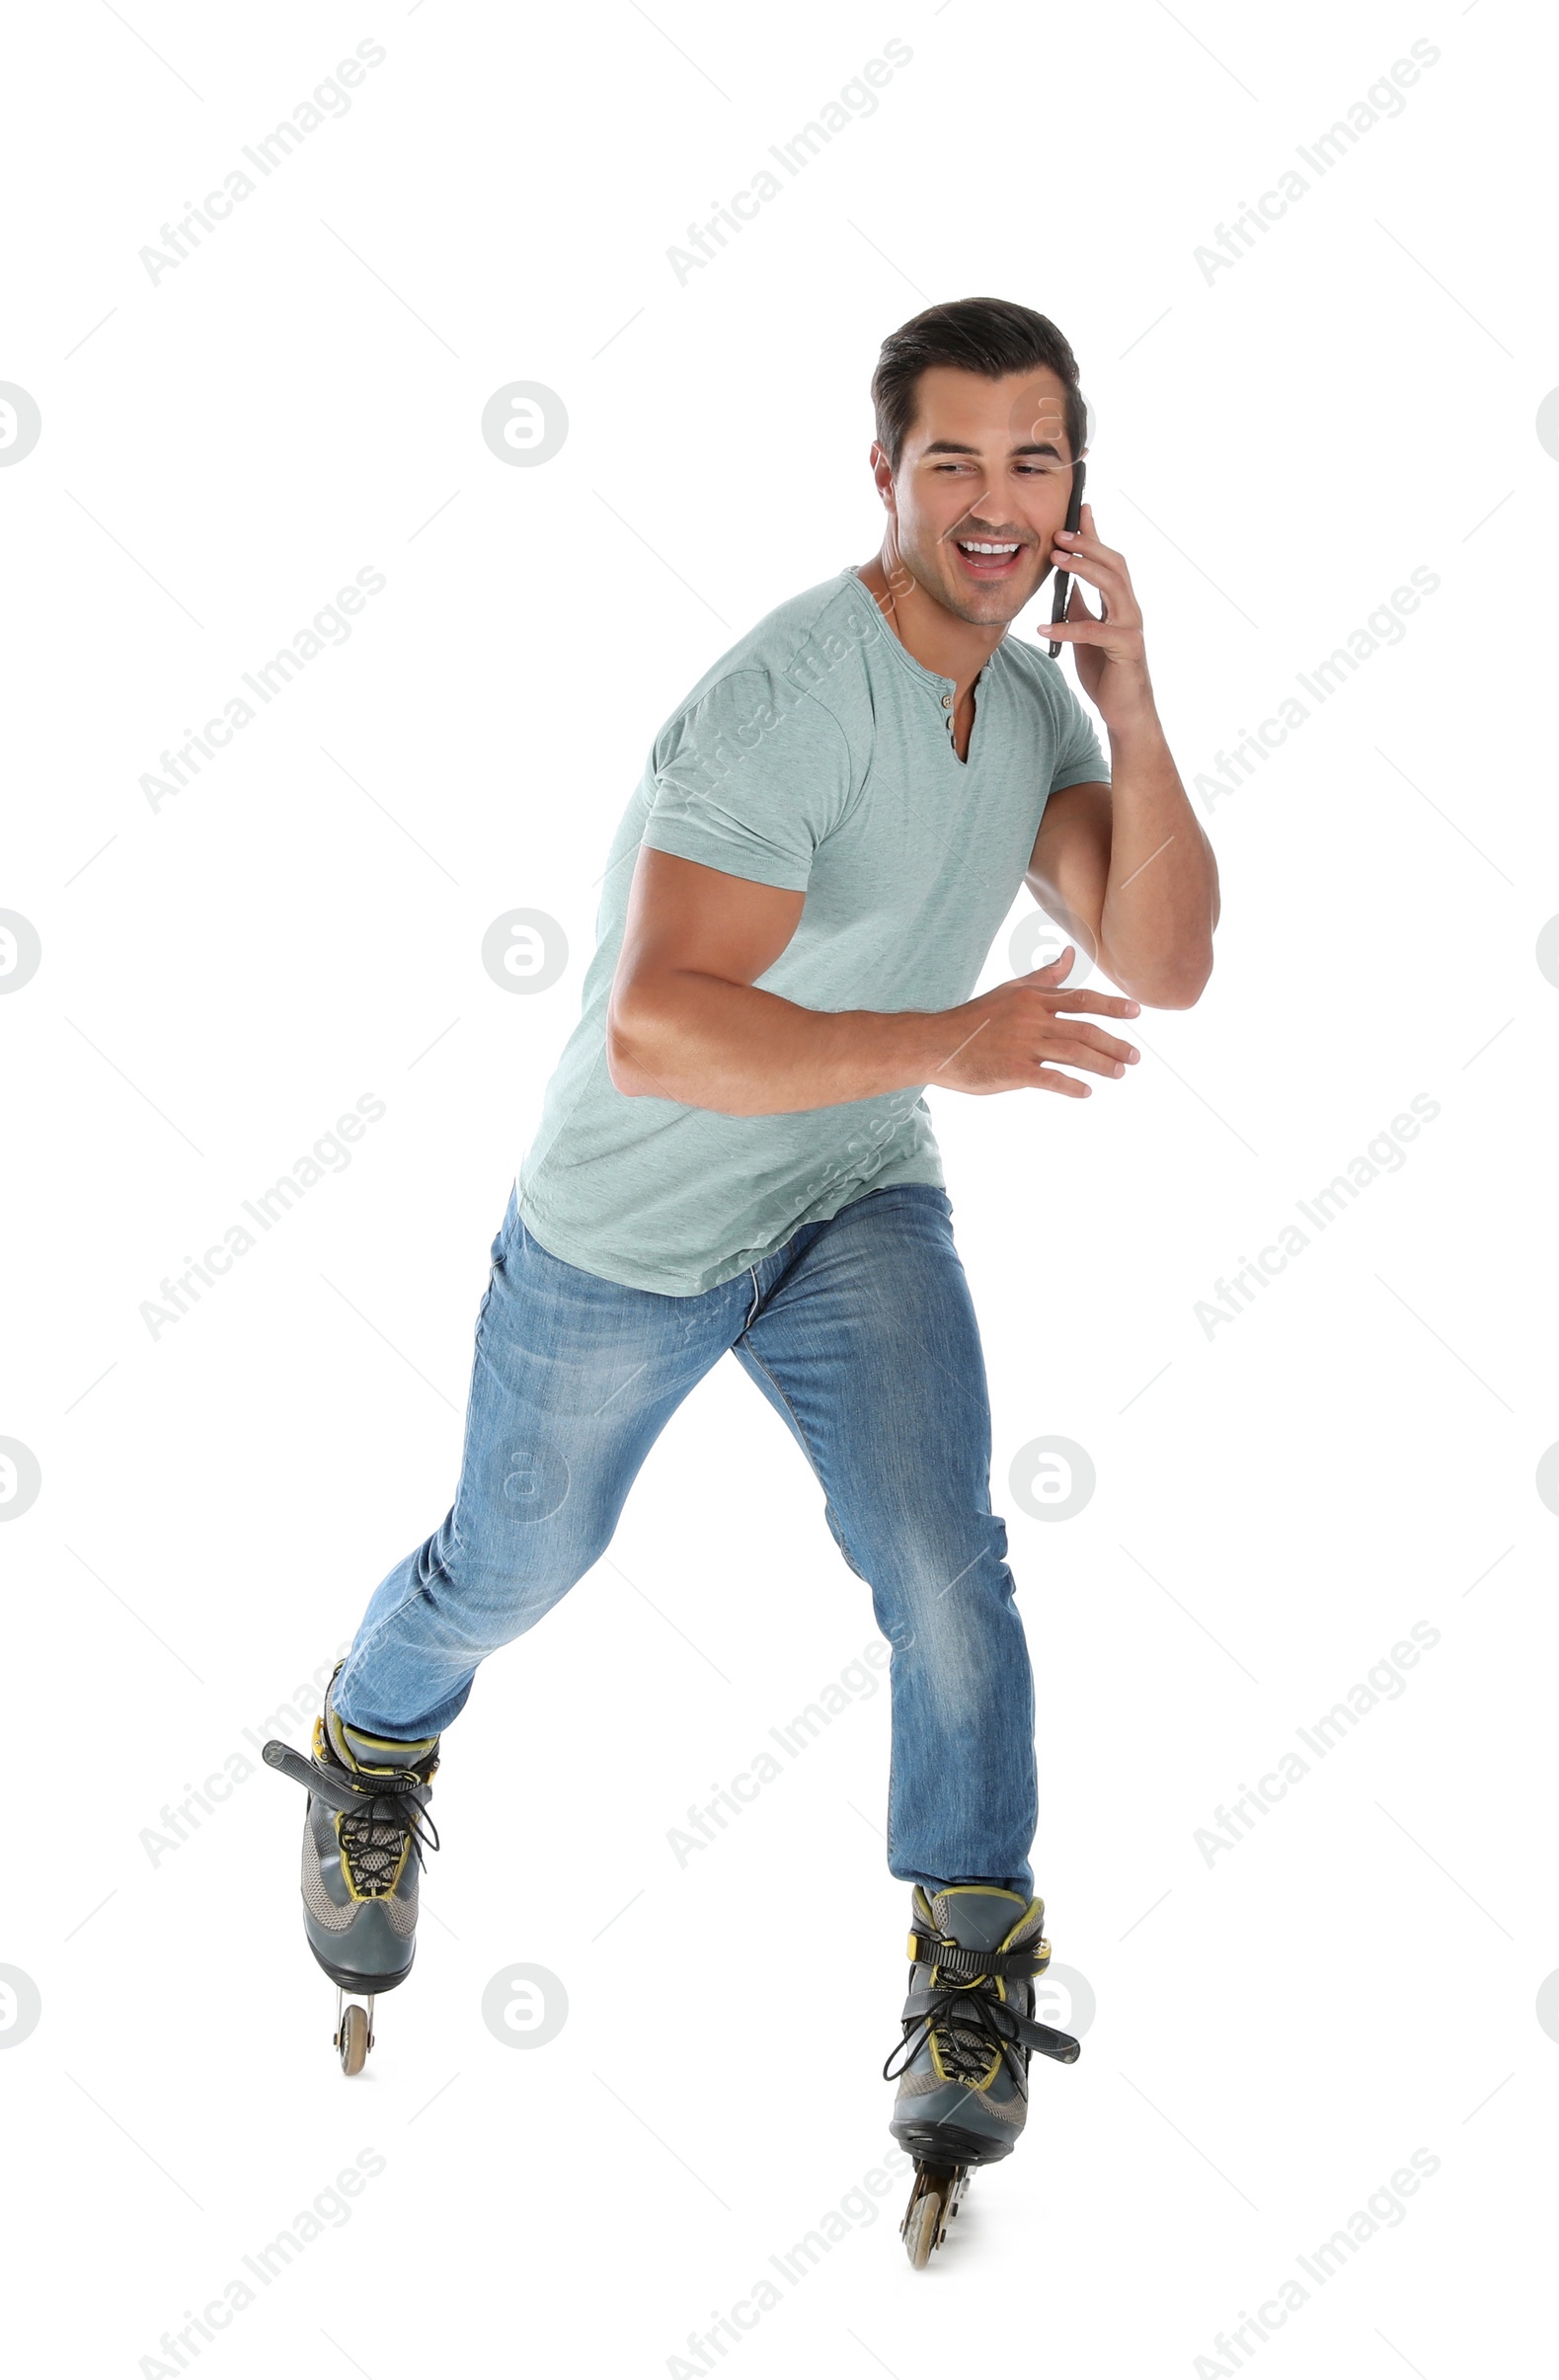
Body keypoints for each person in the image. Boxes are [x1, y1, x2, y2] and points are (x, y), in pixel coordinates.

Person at [265, 296, 1219, 2241]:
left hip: (849, 1198)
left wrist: (1128, 697)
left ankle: (968, 1941)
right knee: (511, 1566)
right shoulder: (786, 700)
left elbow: (1165, 954)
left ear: (1073, 493)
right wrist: (948, 1042)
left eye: (1028, 461)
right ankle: (374, 1729)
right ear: (880, 475)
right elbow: (657, 1031)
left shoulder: (1028, 709)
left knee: (940, 1557)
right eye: (948, 457)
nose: (989, 497)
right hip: (628, 1229)